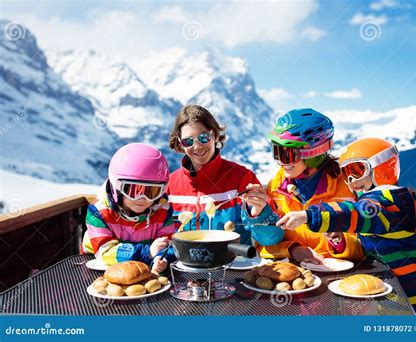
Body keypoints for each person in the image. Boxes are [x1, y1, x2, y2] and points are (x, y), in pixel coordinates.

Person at [278, 137, 416, 314]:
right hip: (400, 289)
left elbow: (355, 213)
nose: (351, 179)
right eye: (346, 173)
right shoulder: (390, 201)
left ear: (382, 167)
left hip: (405, 296)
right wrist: (339, 239)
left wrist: (308, 215)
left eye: (357, 169)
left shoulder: (388, 202)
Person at [259, 108, 364, 265]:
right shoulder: (275, 188)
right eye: (277, 152)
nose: (281, 161)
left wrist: (339, 241)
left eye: (287, 153)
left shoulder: (349, 186)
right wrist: (293, 250)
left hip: (340, 277)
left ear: (314, 154)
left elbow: (367, 246)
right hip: (295, 277)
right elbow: (263, 244)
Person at [167, 105, 283, 246]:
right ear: (180, 143)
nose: (197, 146)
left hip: (234, 264)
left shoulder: (242, 178)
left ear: (215, 135)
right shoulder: (170, 185)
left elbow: (271, 239)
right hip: (183, 265)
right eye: (188, 141)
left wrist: (260, 213)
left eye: (204, 137)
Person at [82, 143, 175, 274]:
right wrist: (147, 252)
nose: (142, 198)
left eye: (152, 191)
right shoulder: (99, 213)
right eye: (133, 190)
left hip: (143, 271)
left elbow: (168, 243)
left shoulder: (162, 210)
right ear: (117, 188)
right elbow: (105, 251)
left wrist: (161, 259)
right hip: (99, 269)